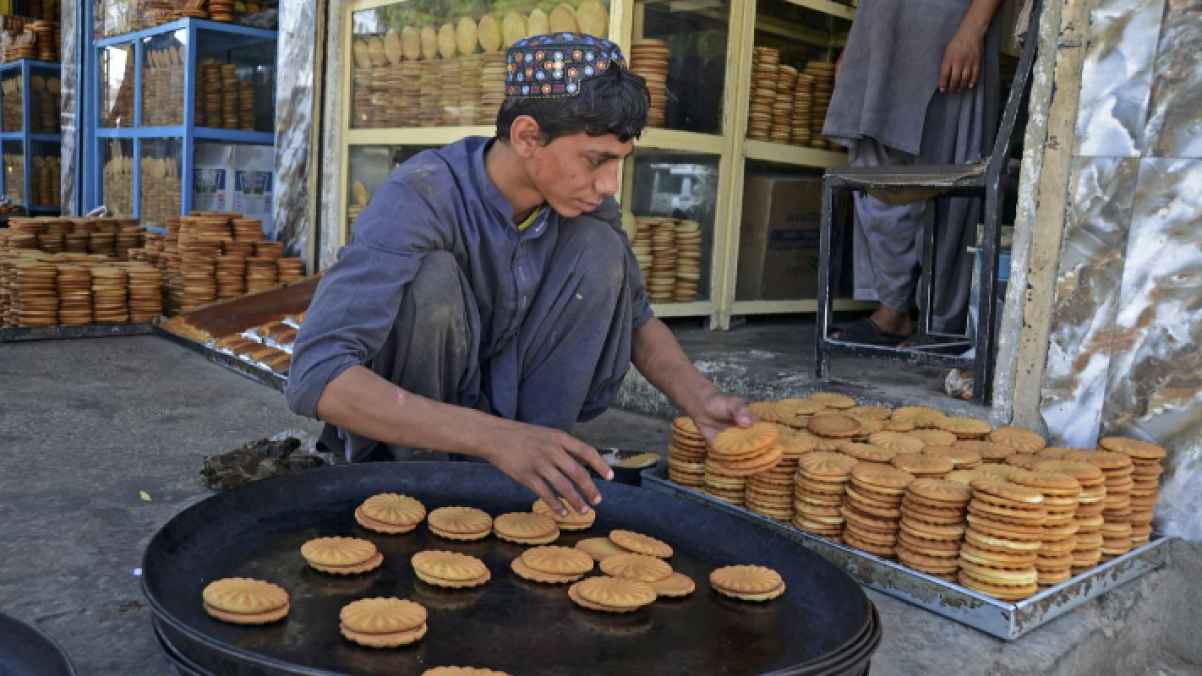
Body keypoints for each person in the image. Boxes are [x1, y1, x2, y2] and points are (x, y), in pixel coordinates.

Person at [286, 34, 752, 517]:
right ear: (528, 136)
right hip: (412, 449)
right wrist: (493, 438)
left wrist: (701, 399)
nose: (610, 185)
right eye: (597, 160)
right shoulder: (421, 194)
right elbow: (317, 373)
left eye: (620, 162)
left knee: (601, 250)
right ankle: (429, 472)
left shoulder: (587, 205)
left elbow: (637, 321)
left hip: (521, 429)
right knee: (432, 280)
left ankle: (541, 462)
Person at [822, 0, 1004, 345]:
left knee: (953, 172)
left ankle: (943, 322)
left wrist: (971, 30)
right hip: (881, 29)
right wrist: (858, 39)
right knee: (873, 170)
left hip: (950, 24)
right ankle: (893, 309)